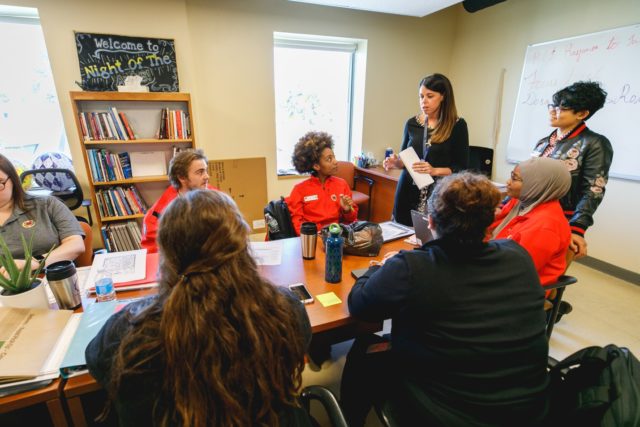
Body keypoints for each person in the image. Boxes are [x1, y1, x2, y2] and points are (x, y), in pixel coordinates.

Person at [86, 190, 312, 427]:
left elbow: (95, 362)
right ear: (242, 247)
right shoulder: (285, 307)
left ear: (168, 257)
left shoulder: (128, 330)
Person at [341, 172, 549, 427]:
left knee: (364, 348)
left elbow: (360, 306)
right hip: (530, 410)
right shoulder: (519, 258)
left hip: (445, 411)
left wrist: (376, 269)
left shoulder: (412, 268)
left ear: (430, 221)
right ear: (491, 222)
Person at [531, 81, 613, 260]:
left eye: (561, 108)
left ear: (582, 114)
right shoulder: (544, 141)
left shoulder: (595, 143)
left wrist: (577, 228)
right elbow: (527, 179)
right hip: (529, 213)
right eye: (552, 105)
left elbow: (593, 190)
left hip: (558, 219)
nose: (552, 111)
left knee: (544, 273)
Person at [384, 73, 469, 226]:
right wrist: (396, 162)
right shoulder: (412, 123)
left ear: (443, 96)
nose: (424, 102)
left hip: (438, 194)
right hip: (407, 190)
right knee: (401, 233)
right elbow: (404, 159)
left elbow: (462, 167)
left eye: (430, 96)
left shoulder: (457, 125)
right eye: (421, 96)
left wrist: (435, 170)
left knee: (427, 239)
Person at [490, 157, 571, 287]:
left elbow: (515, 271)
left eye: (514, 179)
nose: (508, 182)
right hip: (497, 267)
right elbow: (492, 229)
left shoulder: (545, 226)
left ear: (537, 184)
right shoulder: (521, 202)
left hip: (517, 289)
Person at [0, 154, 85, 276]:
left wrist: (36, 263)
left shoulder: (47, 204)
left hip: (54, 277)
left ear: (13, 180)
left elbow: (75, 244)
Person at [140, 149, 217, 253]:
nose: (207, 176)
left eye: (206, 171)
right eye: (200, 172)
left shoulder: (217, 197)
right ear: (181, 177)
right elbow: (155, 255)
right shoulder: (155, 218)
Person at [287, 131, 357, 235]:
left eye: (334, 156)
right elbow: (297, 225)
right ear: (316, 166)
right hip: (313, 240)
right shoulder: (299, 190)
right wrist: (315, 238)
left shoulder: (342, 184)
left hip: (336, 237)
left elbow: (352, 219)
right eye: (329, 159)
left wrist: (347, 211)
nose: (335, 161)